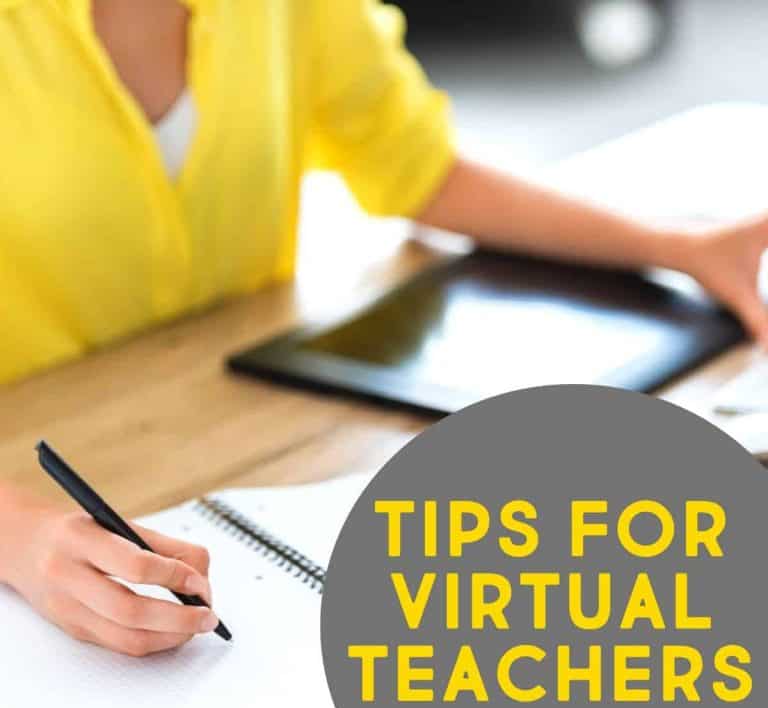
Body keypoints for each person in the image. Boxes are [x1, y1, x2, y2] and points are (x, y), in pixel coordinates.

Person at [1, 0, 767, 657]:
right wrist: (21, 538)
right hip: (36, 470)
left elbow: (418, 166)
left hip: (234, 439)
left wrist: (674, 248)